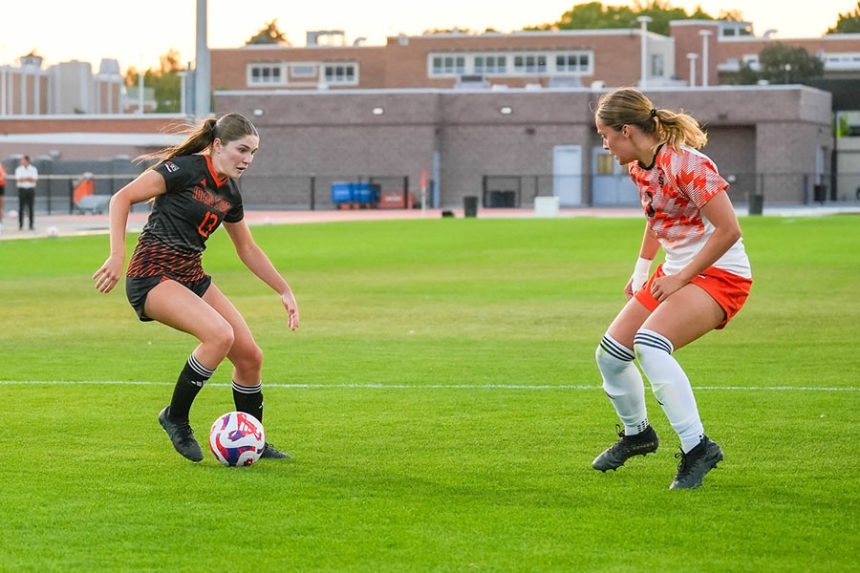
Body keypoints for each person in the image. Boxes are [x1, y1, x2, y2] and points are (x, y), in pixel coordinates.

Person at [92, 113, 300, 463]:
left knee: (250, 356)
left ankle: (253, 440)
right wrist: (116, 255)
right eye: (242, 150)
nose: (248, 159)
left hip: (190, 275)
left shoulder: (230, 192)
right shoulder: (185, 170)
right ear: (218, 145)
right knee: (219, 335)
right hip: (152, 274)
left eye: (253, 153)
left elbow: (246, 248)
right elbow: (121, 198)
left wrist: (284, 289)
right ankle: (175, 417)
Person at [591, 88, 752, 489]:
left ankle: (699, 447)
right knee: (610, 355)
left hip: (721, 275)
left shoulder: (688, 165)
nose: (605, 144)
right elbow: (656, 217)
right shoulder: (639, 166)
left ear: (626, 130)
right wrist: (642, 269)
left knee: (649, 343)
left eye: (605, 134)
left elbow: (730, 230)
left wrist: (679, 278)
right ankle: (638, 435)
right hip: (677, 272)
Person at [14, 155, 38, 231]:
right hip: (22, 190)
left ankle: (31, 225)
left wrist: (25, 178)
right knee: (21, 208)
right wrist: (28, 178)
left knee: (30, 208)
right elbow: (18, 179)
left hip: (30, 190)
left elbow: (34, 179)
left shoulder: (33, 169)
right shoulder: (18, 169)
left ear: (27, 161)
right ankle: (21, 225)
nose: (22, 162)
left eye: (23, 160)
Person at [0, 161, 6, 234]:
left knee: (0, 206)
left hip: (1, 187)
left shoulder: (2, 168)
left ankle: (0, 223)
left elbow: (4, 176)